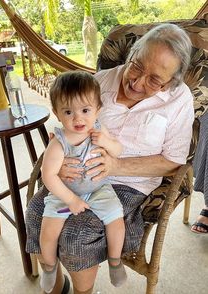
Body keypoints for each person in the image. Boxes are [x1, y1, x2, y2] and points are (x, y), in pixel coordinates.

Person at [25, 23, 194, 294]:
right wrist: (58, 161)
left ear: (171, 82)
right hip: (76, 175)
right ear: (132, 53)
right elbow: (71, 121)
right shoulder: (101, 81)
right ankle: (57, 288)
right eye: (137, 66)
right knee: (35, 212)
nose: (137, 83)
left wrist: (117, 165)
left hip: (130, 182)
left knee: (76, 234)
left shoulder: (179, 99)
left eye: (154, 80)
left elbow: (173, 160)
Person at [39, 71, 126, 293]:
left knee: (116, 219)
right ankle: (49, 267)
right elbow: (48, 175)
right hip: (65, 192)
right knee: (48, 231)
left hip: (98, 188)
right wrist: (71, 199)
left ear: (97, 109)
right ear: (57, 113)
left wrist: (106, 141)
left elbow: (117, 151)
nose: (78, 119)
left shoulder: (98, 129)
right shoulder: (59, 143)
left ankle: (115, 261)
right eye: (68, 111)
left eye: (85, 110)